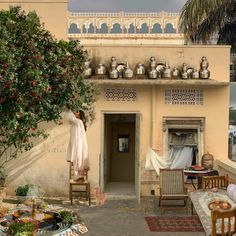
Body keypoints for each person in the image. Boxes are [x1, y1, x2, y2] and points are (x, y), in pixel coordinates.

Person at [64, 108, 89, 182]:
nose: (75, 113)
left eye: (77, 112)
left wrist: (68, 110)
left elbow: (71, 118)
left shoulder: (78, 122)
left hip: (77, 143)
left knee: (77, 159)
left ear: (79, 114)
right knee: (75, 159)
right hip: (75, 142)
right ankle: (80, 177)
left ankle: (80, 177)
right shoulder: (78, 122)